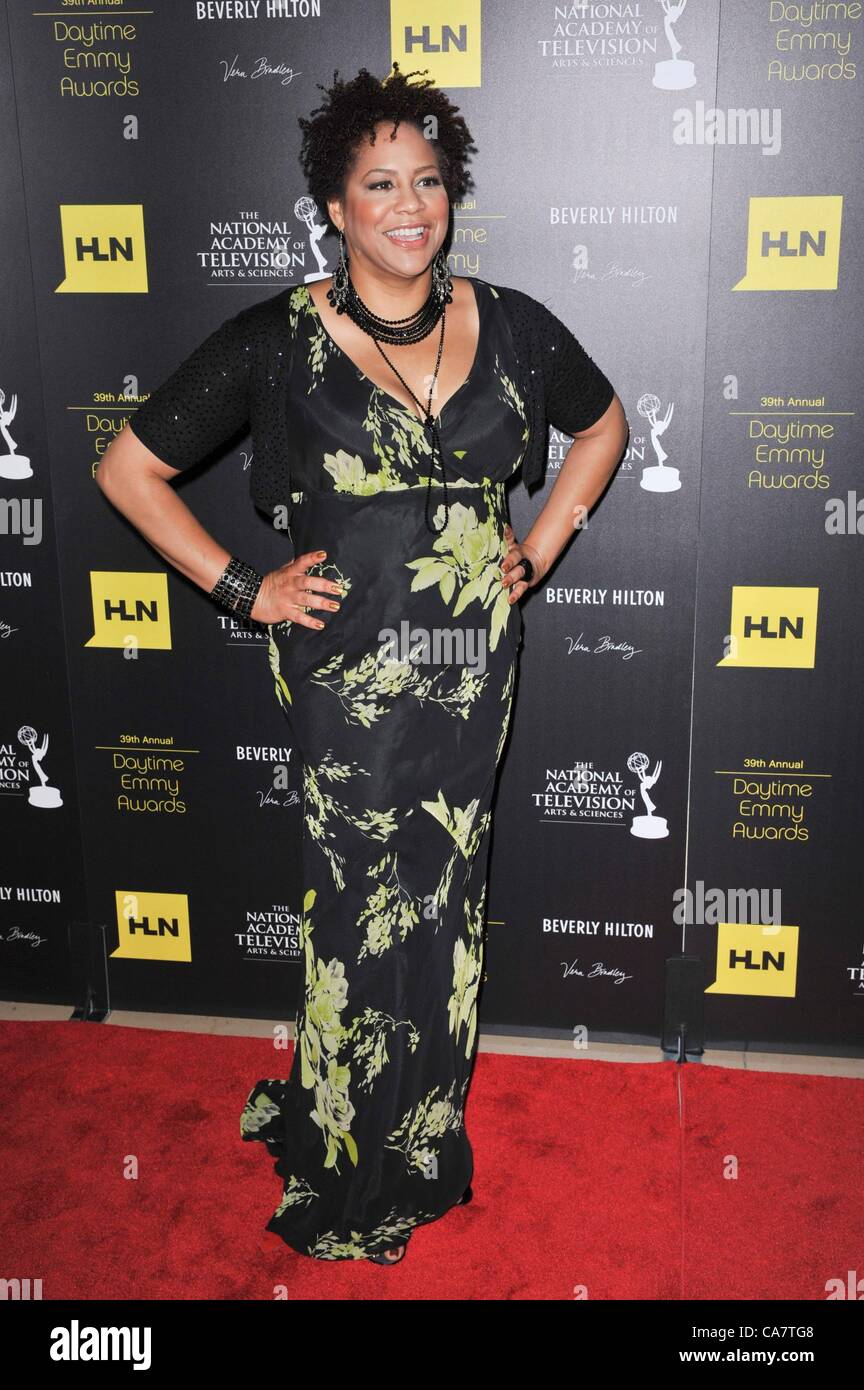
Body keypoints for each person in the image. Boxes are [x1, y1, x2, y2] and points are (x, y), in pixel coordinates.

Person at [96, 63, 628, 1266]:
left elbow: (604, 425)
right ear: (334, 206)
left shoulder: (517, 323)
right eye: (378, 183)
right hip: (349, 678)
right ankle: (348, 1143)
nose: (409, 205)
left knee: (444, 901)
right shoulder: (280, 339)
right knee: (354, 911)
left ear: (452, 197)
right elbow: (127, 470)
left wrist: (540, 546)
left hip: (473, 668)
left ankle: (424, 1128)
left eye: (428, 182)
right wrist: (246, 586)